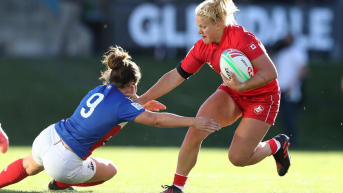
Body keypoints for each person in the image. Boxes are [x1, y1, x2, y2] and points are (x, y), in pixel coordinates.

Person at [0, 45, 220, 191]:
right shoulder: (123, 105)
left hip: (48, 137)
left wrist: (139, 103)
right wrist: (194, 121)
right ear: (132, 84)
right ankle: (60, 183)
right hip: (64, 161)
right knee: (111, 169)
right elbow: (157, 120)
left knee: (28, 166)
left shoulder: (100, 90)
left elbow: (111, 108)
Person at [131, 0, 291, 192]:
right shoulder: (202, 47)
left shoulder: (241, 37)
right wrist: (142, 99)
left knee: (238, 159)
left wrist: (243, 87)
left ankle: (276, 144)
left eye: (203, 26)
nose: (199, 31)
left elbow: (270, 72)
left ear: (218, 24)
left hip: (263, 98)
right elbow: (175, 76)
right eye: (198, 26)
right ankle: (177, 187)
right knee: (196, 128)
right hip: (233, 92)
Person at [273, 33, 308, 146]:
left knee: (289, 116)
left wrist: (292, 85)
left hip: (290, 90)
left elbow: (302, 71)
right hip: (279, 89)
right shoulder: (282, 53)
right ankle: (284, 140)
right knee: (283, 117)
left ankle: (292, 141)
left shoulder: (297, 52)